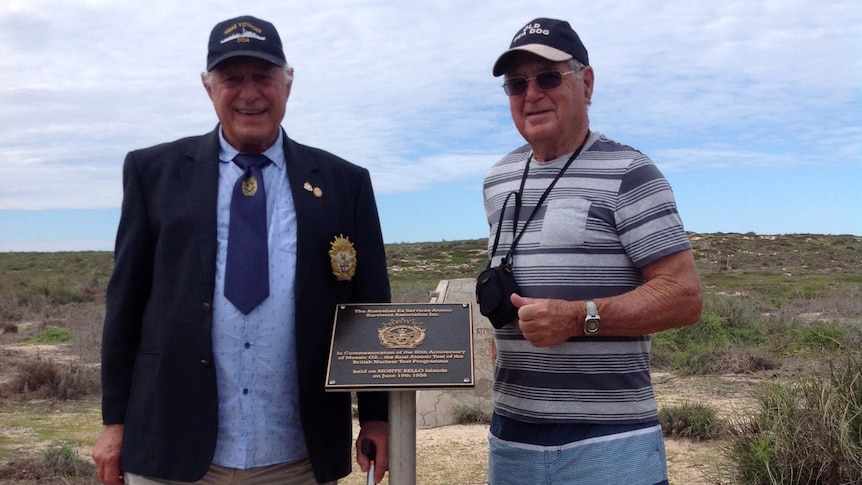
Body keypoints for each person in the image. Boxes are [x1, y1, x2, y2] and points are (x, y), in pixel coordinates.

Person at [92, 15, 390, 485]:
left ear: (287, 84)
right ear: (208, 87)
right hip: (173, 448)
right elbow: (125, 305)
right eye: (233, 79)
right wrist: (114, 423)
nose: (249, 93)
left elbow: (371, 307)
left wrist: (377, 416)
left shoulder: (343, 183)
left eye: (264, 77)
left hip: (296, 455)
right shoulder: (154, 173)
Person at [482, 18, 703, 484]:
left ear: (586, 83)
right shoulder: (498, 181)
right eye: (517, 84)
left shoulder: (631, 172)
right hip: (512, 436)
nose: (532, 93)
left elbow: (684, 296)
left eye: (547, 78)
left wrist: (578, 316)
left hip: (610, 442)